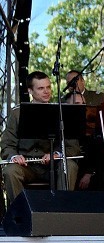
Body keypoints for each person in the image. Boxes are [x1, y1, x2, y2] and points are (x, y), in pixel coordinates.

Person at [1, 71, 81, 202]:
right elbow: (7, 144)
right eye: (41, 88)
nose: (46, 91)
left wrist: (56, 154)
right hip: (26, 167)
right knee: (10, 171)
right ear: (30, 91)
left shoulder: (62, 111)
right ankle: (22, 214)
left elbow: (73, 147)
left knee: (69, 165)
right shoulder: (17, 113)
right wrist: (14, 156)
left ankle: (62, 210)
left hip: (54, 166)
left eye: (48, 87)